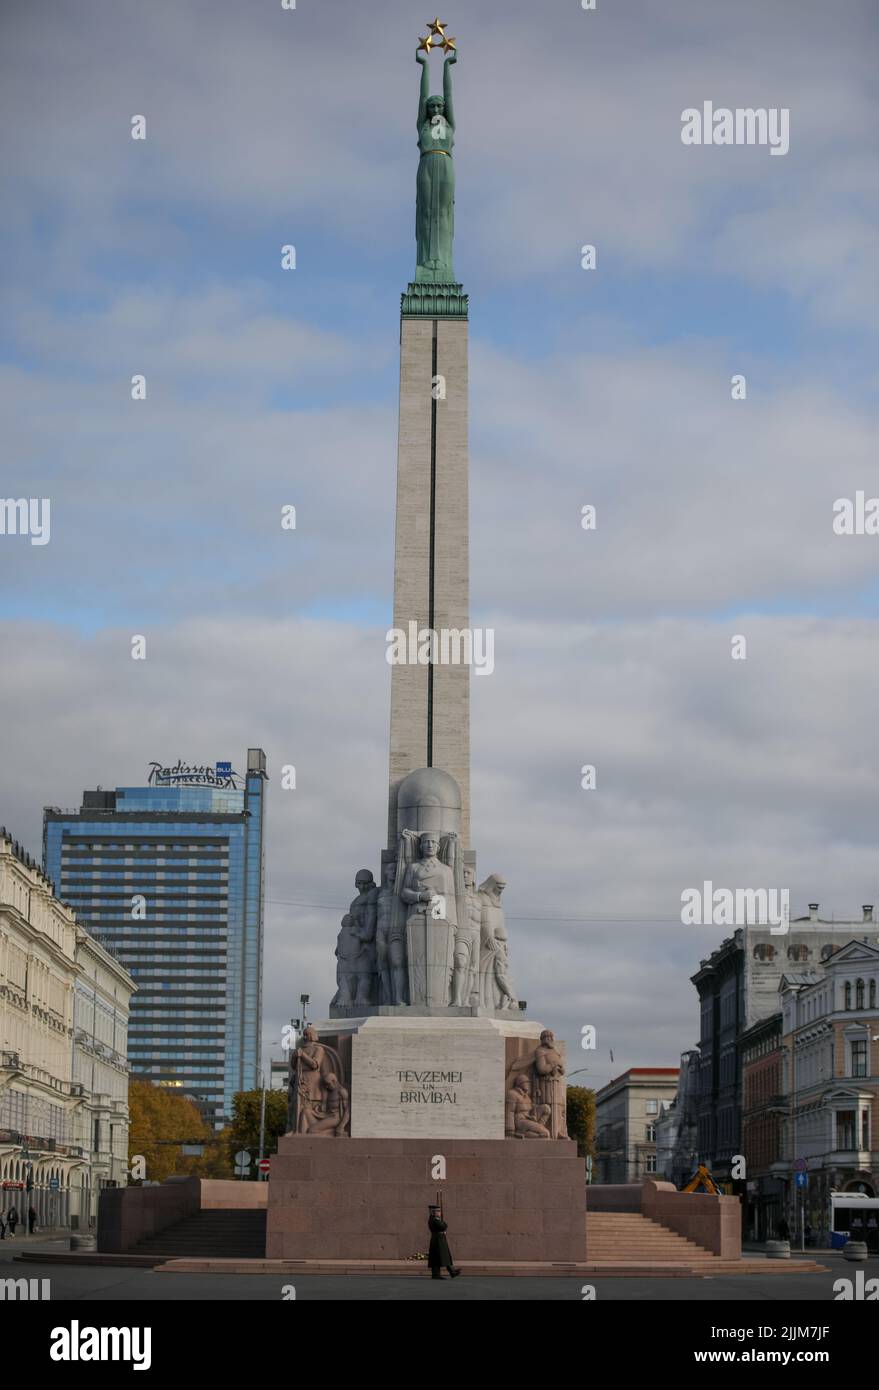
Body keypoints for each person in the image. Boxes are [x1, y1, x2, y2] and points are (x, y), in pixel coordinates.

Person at [427, 1205, 460, 1280]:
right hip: (437, 1240)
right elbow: (443, 1226)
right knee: (440, 1257)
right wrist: (442, 1223)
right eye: (438, 1211)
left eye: (439, 1211)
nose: (440, 1213)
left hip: (439, 1240)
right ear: (433, 1212)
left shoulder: (435, 1219)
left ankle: (450, 1272)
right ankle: (448, 1272)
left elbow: (443, 1226)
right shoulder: (434, 1220)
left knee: (441, 1257)